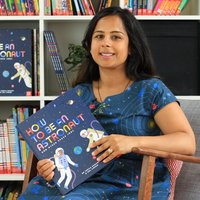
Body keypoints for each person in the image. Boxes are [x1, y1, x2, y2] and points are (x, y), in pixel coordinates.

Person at [18, 6, 196, 200]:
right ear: (89, 45)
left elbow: (187, 142)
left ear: (132, 47)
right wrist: (49, 168)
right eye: (99, 36)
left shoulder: (151, 90)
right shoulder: (77, 94)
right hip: (79, 181)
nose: (105, 43)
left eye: (116, 37)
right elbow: (60, 151)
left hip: (129, 183)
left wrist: (131, 143)